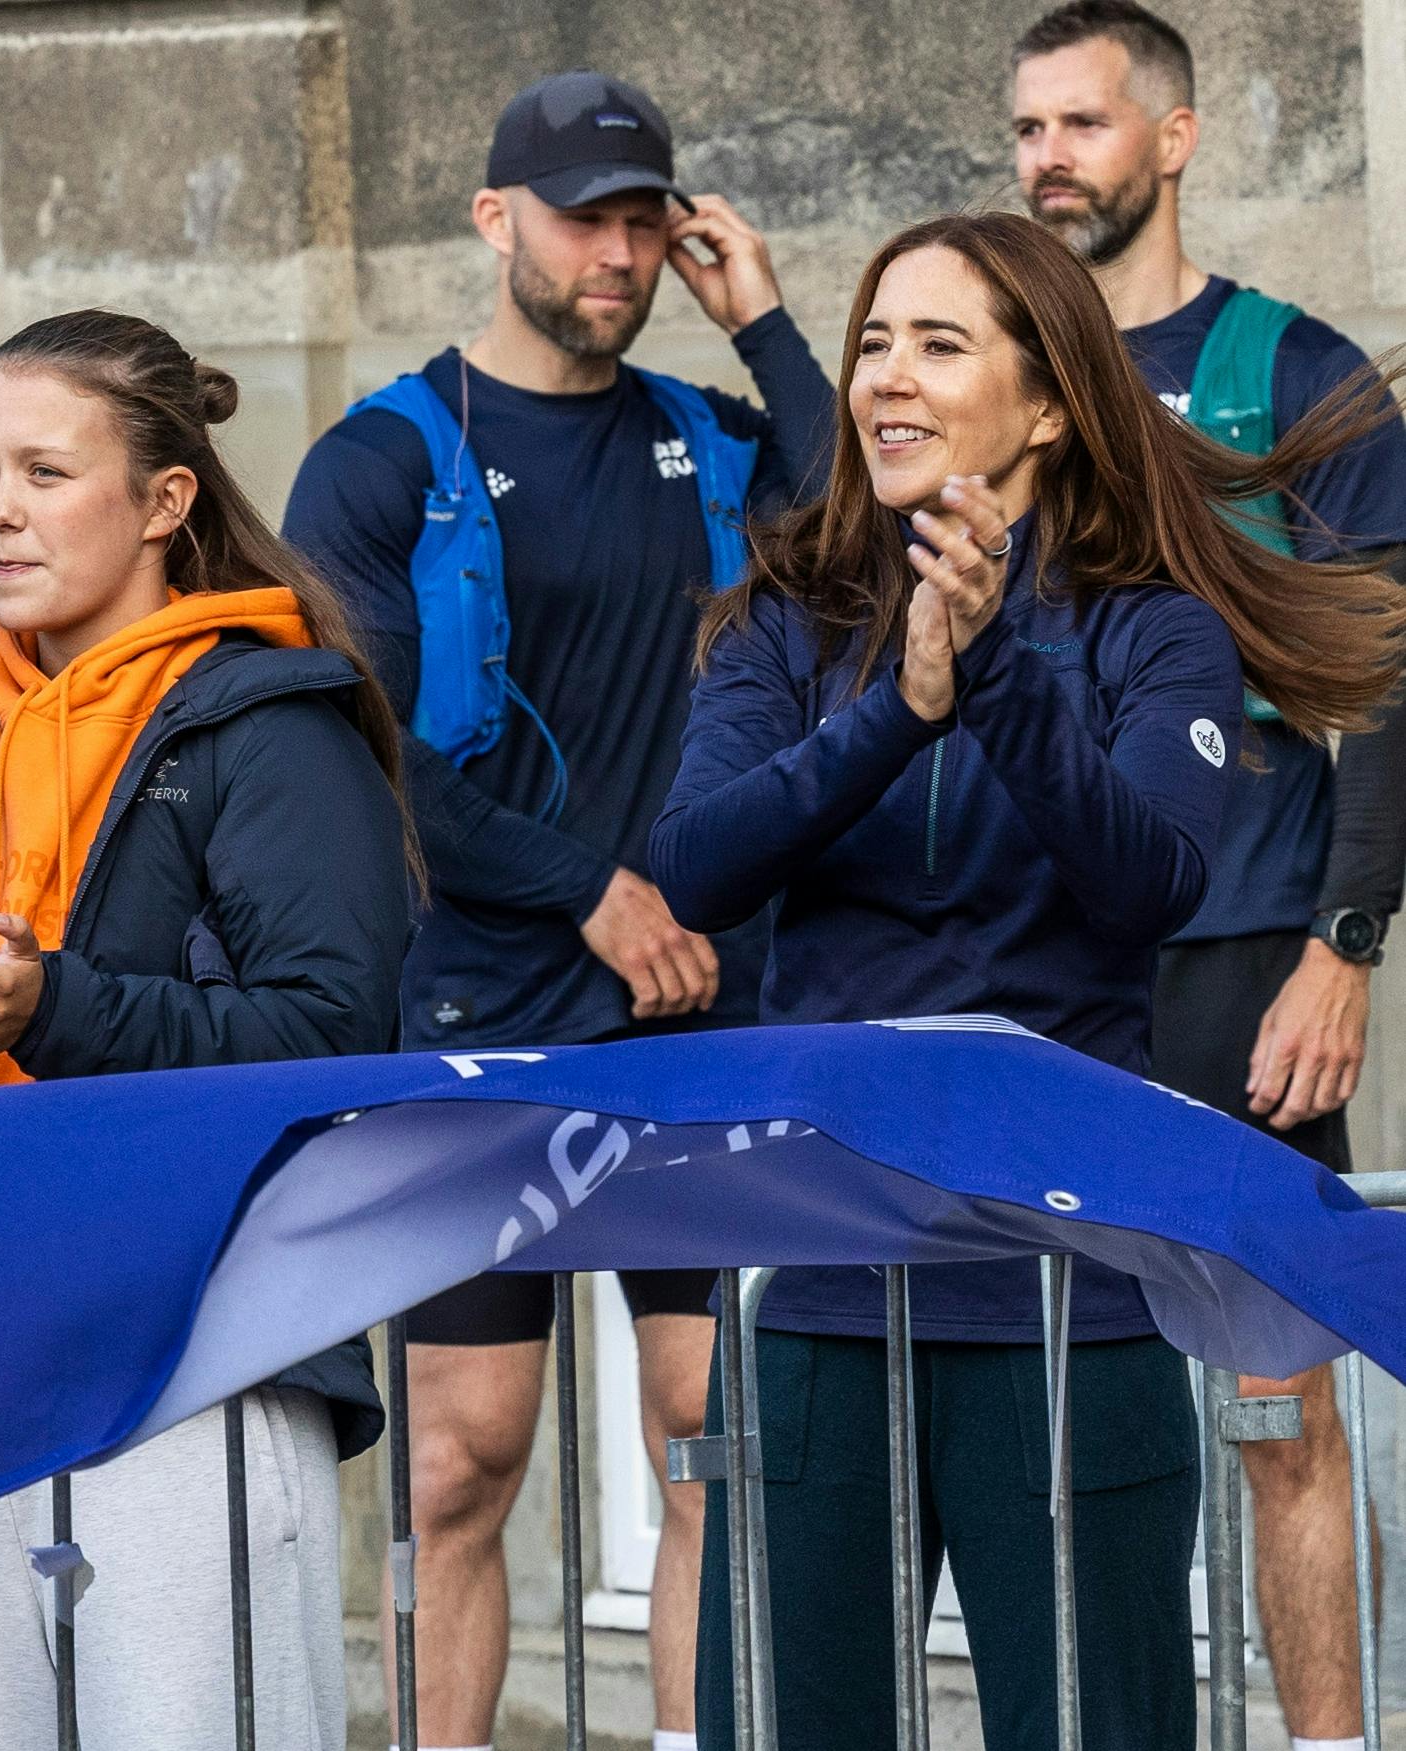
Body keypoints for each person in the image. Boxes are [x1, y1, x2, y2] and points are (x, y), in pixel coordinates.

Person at [653, 210, 1406, 1751]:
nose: (883, 377)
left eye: (937, 343)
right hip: (816, 1306)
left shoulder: (1156, 634)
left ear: (1049, 402)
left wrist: (988, 666)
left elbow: (1145, 880)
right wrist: (900, 705)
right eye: (870, 340)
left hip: (1066, 1314)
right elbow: (696, 868)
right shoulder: (788, 620)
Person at [0, 308, 417, 1751]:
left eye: (45, 473)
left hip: (192, 1369)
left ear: (164, 500)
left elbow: (333, 1034)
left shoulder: (270, 730)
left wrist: (48, 1006)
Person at [279, 69, 829, 1751]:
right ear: (491, 218)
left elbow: (859, 521)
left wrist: (772, 329)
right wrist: (584, 888)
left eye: (645, 219)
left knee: (704, 1433)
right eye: (584, 217)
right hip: (477, 1009)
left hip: (692, 1011)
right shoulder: (381, 462)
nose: (619, 250)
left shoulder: (709, 434)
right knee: (460, 1457)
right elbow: (361, 747)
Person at [1012, 9, 1406, 1744]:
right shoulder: (986, 363)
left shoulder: (1290, 365)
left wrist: (1345, 946)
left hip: (1244, 949)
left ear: (1171, 138)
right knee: (1032, 1395)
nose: (1046, 159)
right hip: (1031, 958)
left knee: (1277, 1405)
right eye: (1024, 129)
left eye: (1082, 124)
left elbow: (1386, 674)